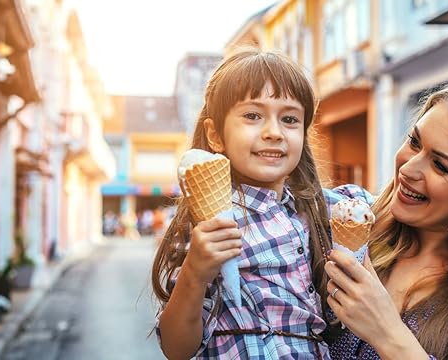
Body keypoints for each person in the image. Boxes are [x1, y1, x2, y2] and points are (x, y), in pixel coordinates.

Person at [151, 48, 372, 359]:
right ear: (215, 135)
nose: (273, 132)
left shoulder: (325, 211)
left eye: (290, 119)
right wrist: (195, 272)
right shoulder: (204, 225)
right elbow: (176, 348)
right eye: (253, 116)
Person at [324, 78, 448, 360]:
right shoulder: (353, 224)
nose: (408, 168)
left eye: (441, 165)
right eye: (414, 142)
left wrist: (389, 335)